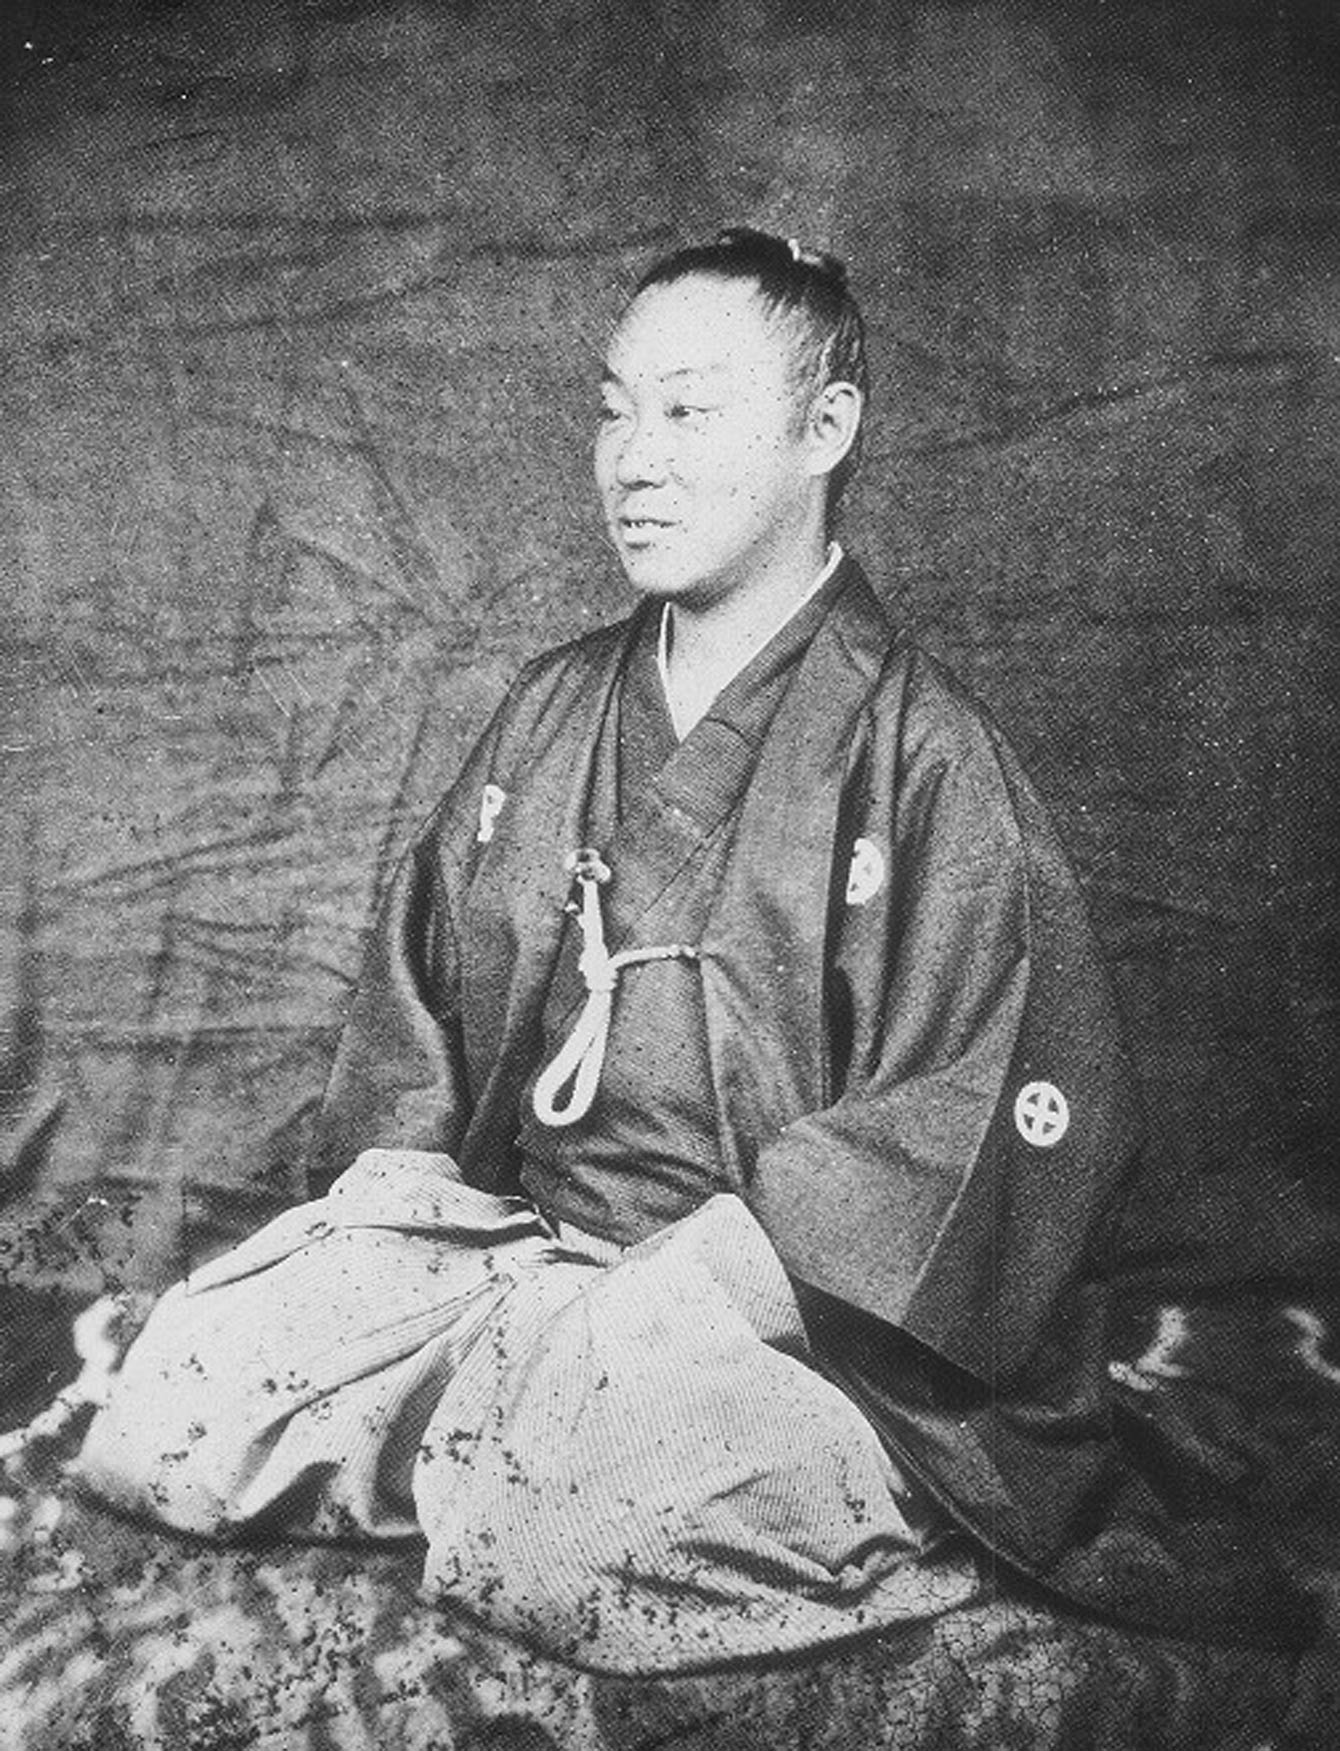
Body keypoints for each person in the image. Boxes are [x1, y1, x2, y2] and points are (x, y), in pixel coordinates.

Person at [75, 228, 1287, 1672]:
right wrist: (395, 1237)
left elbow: (967, 1124)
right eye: (615, 410)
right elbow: (421, 1015)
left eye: (690, 411)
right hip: (525, 1265)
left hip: (783, 1322)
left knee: (567, 1529)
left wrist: (686, 1299)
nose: (633, 460)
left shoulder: (926, 757)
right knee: (172, 1403)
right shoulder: (553, 707)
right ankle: (500, 1436)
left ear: (825, 428)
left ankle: (835, 1498)